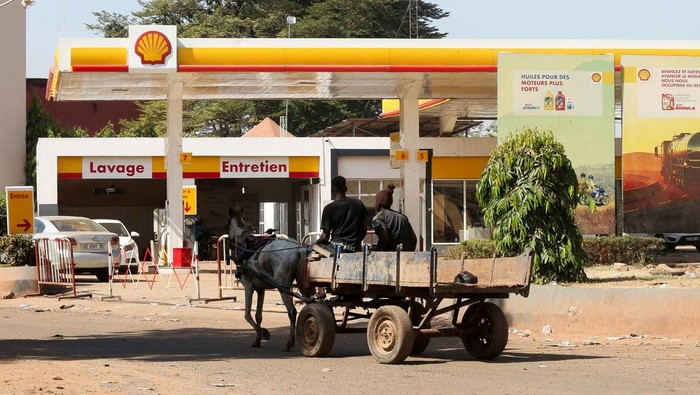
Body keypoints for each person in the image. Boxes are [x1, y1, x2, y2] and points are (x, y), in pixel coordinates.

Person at [316, 175, 368, 253]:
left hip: (336, 249)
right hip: (355, 248)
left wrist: (316, 242)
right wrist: (356, 243)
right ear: (345, 189)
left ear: (332, 190)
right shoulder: (358, 204)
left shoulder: (328, 209)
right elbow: (364, 229)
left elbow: (325, 237)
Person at [371, 184, 417, 251]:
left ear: (378, 204)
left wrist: (377, 252)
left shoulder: (378, 218)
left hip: (389, 257)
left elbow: (384, 238)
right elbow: (414, 239)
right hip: (405, 257)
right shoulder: (403, 217)